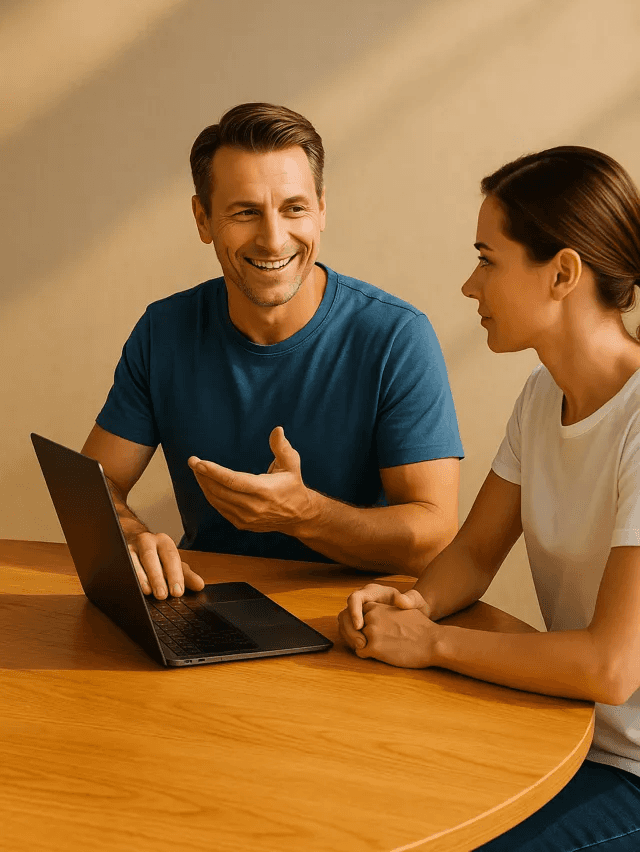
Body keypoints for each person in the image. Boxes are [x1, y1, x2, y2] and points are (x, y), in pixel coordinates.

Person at [338, 145, 640, 850]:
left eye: (488, 259)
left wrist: (435, 642)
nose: (471, 287)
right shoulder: (543, 397)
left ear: (563, 272)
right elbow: (474, 552)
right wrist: (411, 605)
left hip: (628, 770)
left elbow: (611, 666)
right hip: (565, 734)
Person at [82, 103, 463, 601]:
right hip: (202, 606)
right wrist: (133, 538)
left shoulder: (396, 337)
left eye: (294, 208)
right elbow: (92, 485)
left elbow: (435, 539)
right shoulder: (164, 330)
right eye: (245, 212)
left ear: (322, 210)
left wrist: (305, 514)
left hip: (354, 623)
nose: (273, 238)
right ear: (203, 219)